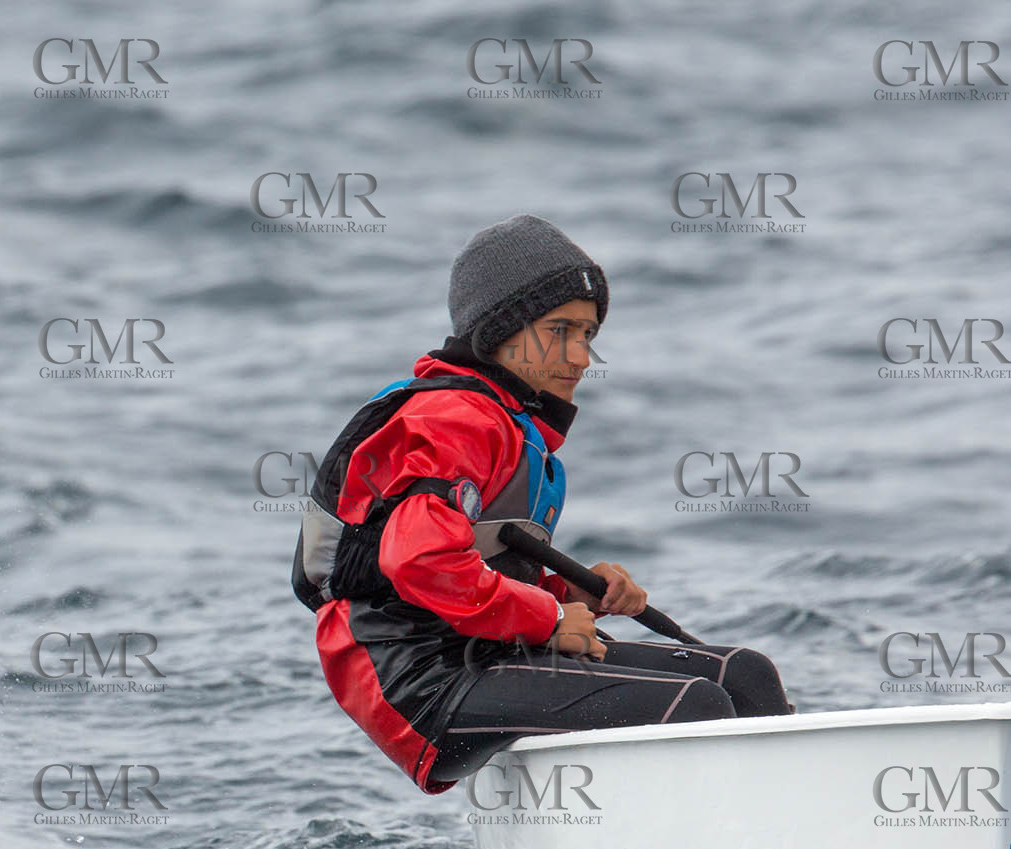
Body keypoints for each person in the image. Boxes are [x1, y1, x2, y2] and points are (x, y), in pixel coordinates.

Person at [292, 214, 792, 794]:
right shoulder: (452, 420)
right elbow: (418, 563)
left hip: (490, 654)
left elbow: (478, 571)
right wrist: (550, 619)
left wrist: (570, 595)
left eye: (589, 335)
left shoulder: (512, 429)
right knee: (696, 705)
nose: (581, 358)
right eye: (561, 331)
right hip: (417, 679)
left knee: (743, 675)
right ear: (499, 332)